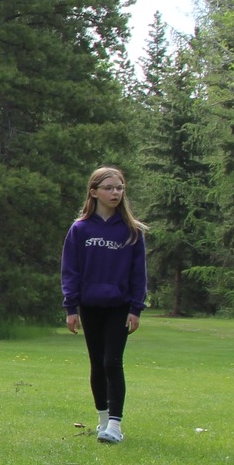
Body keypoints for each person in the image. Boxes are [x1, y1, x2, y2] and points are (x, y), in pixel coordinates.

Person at [63, 167, 148, 444]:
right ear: (94, 192)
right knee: (97, 363)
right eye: (109, 188)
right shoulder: (80, 230)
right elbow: (71, 270)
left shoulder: (131, 231)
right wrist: (71, 308)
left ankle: (115, 425)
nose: (115, 193)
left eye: (120, 188)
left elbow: (139, 273)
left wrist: (136, 308)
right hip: (89, 305)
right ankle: (102, 420)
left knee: (113, 361)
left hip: (120, 306)